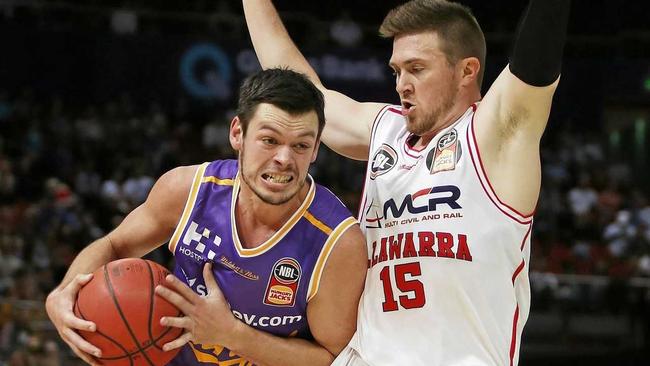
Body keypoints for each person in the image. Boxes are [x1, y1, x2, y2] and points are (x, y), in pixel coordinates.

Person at [243, 0, 570, 364]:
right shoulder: (387, 129)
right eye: (397, 71)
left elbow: (534, 62)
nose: (402, 85)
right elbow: (301, 90)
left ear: (466, 71)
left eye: (417, 69)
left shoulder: (493, 134)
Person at [44, 68, 367, 366]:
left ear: (314, 151)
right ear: (237, 133)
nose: (284, 158)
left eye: (301, 145)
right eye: (269, 140)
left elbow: (331, 358)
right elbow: (114, 245)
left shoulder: (337, 242)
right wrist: (65, 293)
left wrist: (233, 335)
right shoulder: (187, 190)